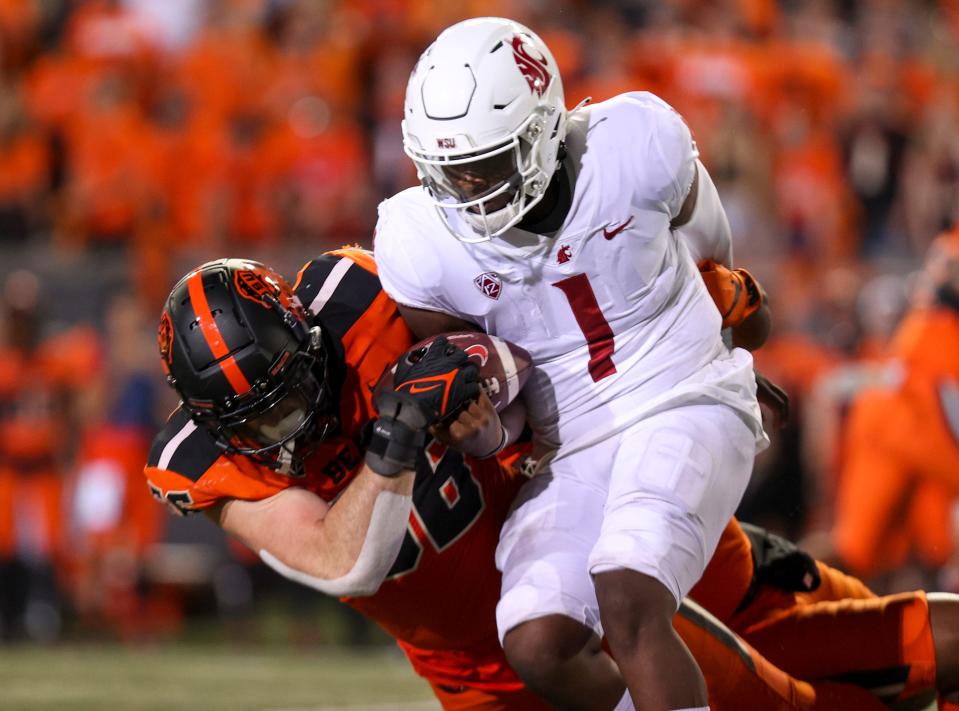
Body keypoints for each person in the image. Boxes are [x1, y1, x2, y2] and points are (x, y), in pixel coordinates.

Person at [144, 250, 959, 710]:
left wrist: (487, 381)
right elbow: (340, 555)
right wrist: (398, 434)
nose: (280, 436)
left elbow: (529, 330)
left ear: (308, 341)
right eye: (255, 424)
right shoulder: (198, 464)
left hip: (642, 556)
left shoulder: (361, 295)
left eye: (287, 404)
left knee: (916, 650)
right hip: (502, 683)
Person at [373, 16, 767, 711]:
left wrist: (728, 334)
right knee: (535, 642)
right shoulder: (418, 240)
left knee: (627, 595)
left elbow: (710, 252)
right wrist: (487, 431)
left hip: (681, 390)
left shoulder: (634, 144)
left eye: (486, 164)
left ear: (543, 128)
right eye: (448, 170)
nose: (467, 190)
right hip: (568, 444)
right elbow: (488, 386)